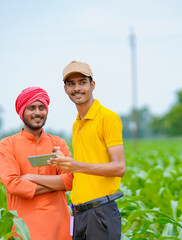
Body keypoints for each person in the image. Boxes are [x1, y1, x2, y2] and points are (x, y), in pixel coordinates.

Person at [48, 60, 126, 240]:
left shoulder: (108, 117)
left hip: (100, 213)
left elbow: (119, 167)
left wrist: (77, 166)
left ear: (92, 85)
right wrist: (64, 162)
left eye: (82, 82)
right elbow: (86, 163)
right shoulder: (77, 124)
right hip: (79, 214)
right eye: (71, 84)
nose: (77, 88)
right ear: (65, 89)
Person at [0, 87, 73, 240]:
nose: (38, 112)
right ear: (22, 111)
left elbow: (71, 181)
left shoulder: (58, 143)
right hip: (24, 230)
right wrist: (56, 184)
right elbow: (12, 184)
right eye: (31, 108)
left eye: (42, 107)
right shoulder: (7, 144)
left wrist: (30, 177)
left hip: (59, 229)